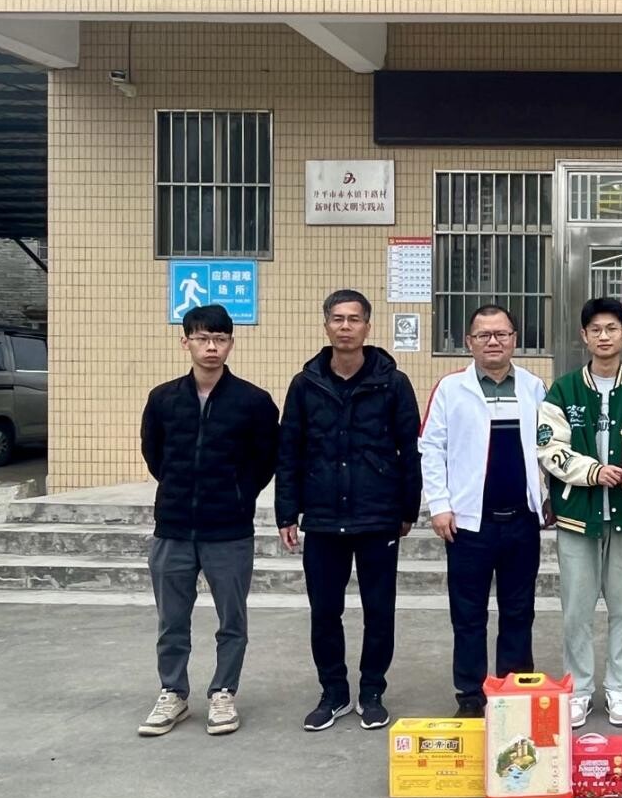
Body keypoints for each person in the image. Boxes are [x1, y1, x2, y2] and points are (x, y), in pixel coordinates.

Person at [275, 290, 422, 733]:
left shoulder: (393, 383)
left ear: (367, 327)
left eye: (353, 319)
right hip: (323, 517)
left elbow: (410, 450)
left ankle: (372, 692)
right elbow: (289, 451)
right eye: (337, 319)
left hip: (378, 515)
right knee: (324, 611)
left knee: (379, 611)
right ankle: (334, 693)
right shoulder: (305, 384)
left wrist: (408, 509)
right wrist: (287, 513)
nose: (345, 327)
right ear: (326, 325)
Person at [138, 304, 279, 737]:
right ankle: (173, 693)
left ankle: (223, 693)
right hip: (174, 528)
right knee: (171, 621)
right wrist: (180, 489)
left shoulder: (253, 401)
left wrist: (238, 494)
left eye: (219, 339)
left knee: (231, 621)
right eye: (202, 338)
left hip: (228, 530)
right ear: (186, 342)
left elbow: (265, 459)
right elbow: (154, 454)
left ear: (231, 343)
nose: (211, 347)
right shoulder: (163, 399)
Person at [537, 297, 622, 729]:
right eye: (595, 329)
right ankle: (579, 690)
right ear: (584, 336)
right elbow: (549, 449)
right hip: (577, 517)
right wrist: (593, 472)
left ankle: (619, 689)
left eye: (612, 328)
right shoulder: (563, 390)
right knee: (576, 612)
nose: (604, 336)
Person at [419, 304, 552, 717]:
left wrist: (546, 495)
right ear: (469, 342)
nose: (493, 342)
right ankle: (471, 696)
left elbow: (549, 447)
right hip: (467, 524)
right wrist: (439, 505)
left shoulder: (533, 387)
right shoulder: (450, 389)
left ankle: (512, 692)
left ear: (514, 339)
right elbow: (431, 448)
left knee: (519, 611)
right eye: (484, 335)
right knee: (468, 614)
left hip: (522, 520)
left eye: (502, 334)